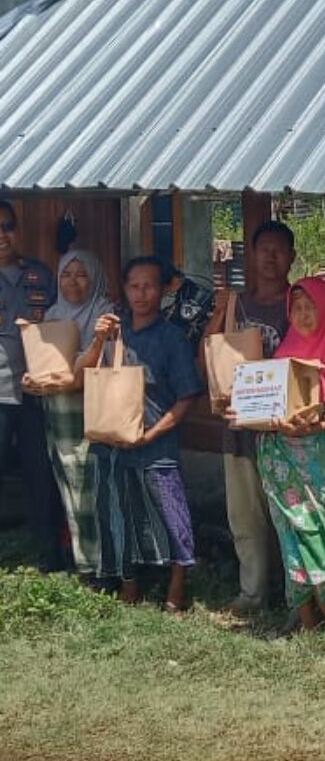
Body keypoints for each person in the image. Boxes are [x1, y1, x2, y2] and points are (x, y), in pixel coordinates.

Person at [243, 276, 325, 633]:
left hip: (313, 451)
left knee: (311, 530)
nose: (303, 315)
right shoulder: (283, 352)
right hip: (275, 452)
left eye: (311, 307)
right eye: (297, 308)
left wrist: (318, 426)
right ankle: (307, 622)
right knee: (287, 535)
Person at [86, 256, 203, 610]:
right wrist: (98, 340)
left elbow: (186, 397)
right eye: (134, 286)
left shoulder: (172, 338)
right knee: (119, 514)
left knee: (172, 515)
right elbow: (83, 374)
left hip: (157, 445)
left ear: (164, 289)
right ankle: (129, 585)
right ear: (124, 289)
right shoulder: (113, 330)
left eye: (149, 286)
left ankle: (176, 590)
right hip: (113, 442)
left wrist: (152, 435)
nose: (141, 293)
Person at [200, 220, 295, 615]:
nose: (271, 257)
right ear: (251, 256)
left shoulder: (298, 303)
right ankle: (252, 593)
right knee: (244, 516)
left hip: (283, 429)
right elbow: (208, 356)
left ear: (292, 257)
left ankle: (297, 596)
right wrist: (218, 314)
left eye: (279, 249)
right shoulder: (236, 304)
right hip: (238, 426)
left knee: (289, 516)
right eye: (263, 249)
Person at [22, 250, 114, 577]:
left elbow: (105, 365)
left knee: (91, 489)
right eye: (66, 274)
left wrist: (68, 376)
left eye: (82, 274)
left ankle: (101, 565)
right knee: (67, 487)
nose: (72, 281)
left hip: (90, 411)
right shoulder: (53, 313)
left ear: (96, 278)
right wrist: (33, 380)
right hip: (56, 414)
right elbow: (45, 365)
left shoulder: (106, 313)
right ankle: (80, 558)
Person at [0, 199, 62, 571]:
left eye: (7, 226)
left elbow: (57, 324)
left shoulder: (39, 274)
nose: (2, 235)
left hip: (36, 393)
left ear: (17, 229)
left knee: (41, 472)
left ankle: (48, 553)